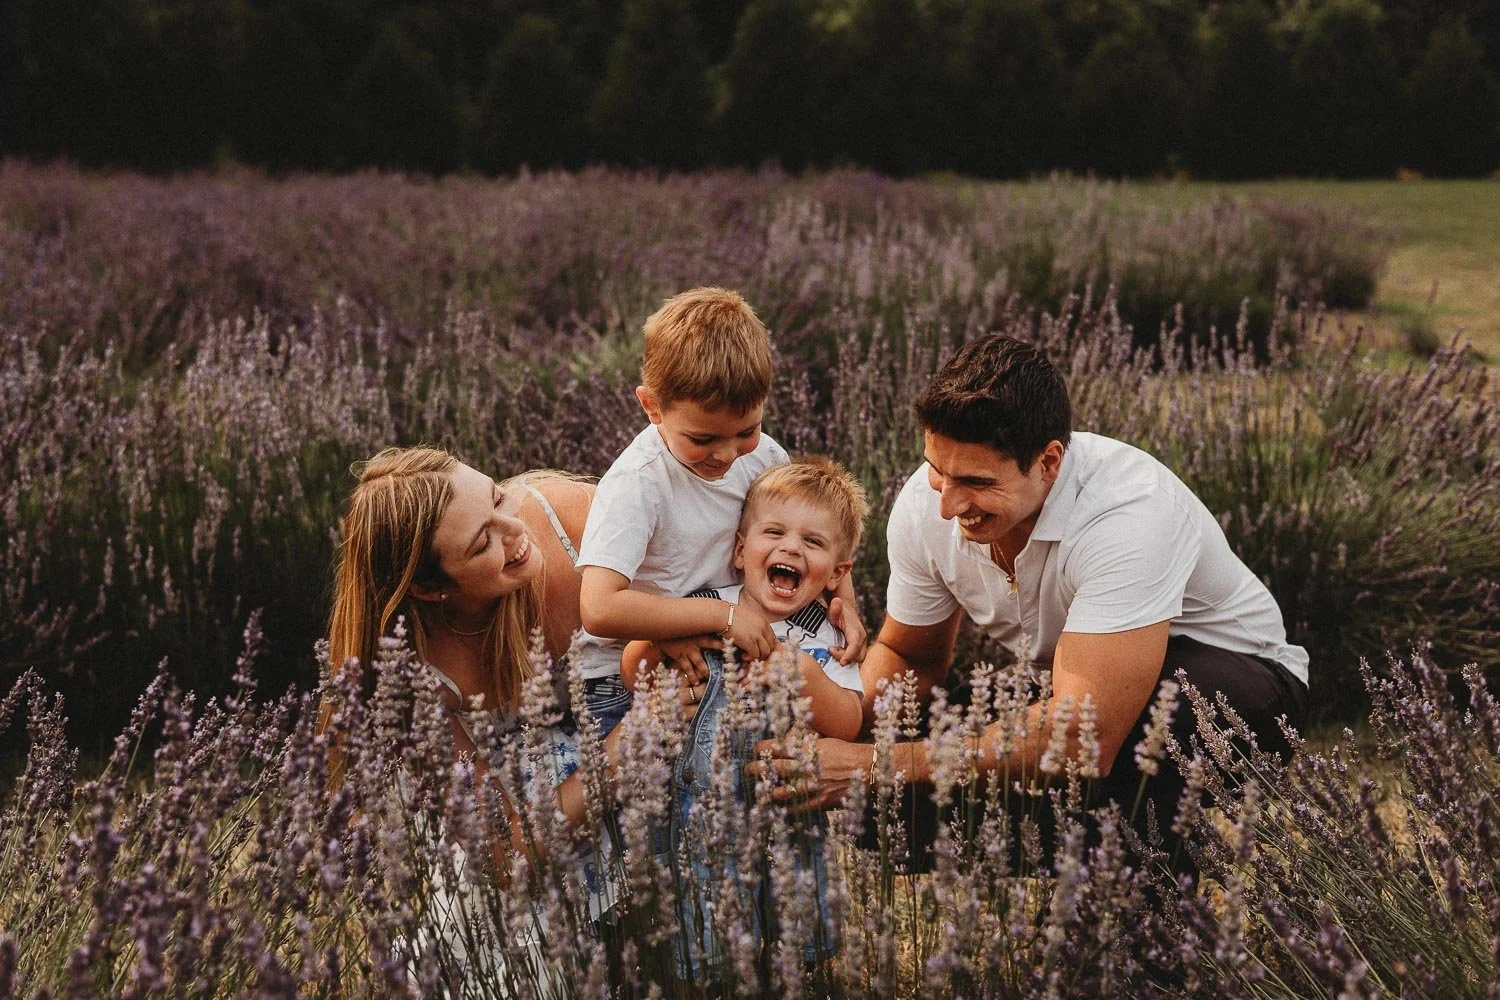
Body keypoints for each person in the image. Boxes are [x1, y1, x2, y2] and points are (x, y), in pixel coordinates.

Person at [773, 335, 1309, 866]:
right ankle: (1120, 860)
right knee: (881, 807)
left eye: (976, 482)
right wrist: (833, 728)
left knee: (1130, 735)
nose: (948, 504)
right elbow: (911, 657)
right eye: (939, 470)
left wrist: (874, 763)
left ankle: (1137, 912)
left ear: (1049, 461)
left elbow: (1082, 736)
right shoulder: (926, 502)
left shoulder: (1128, 513)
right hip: (1084, 682)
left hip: (1244, 690)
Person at [623, 456, 869, 981]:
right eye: (774, 532)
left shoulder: (824, 638)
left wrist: (802, 673)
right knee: (707, 918)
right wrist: (659, 647)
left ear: (837, 573)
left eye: (814, 542)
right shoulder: (708, 606)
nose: (791, 548)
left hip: (789, 809)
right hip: (703, 810)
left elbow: (848, 723)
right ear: (740, 550)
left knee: (796, 930)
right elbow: (634, 668)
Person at [576, 287, 866, 711]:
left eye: (746, 431)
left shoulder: (766, 456)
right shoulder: (638, 483)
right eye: (703, 438)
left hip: (723, 647)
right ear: (652, 407)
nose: (728, 454)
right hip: (626, 675)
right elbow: (599, 609)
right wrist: (722, 617)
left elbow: (820, 524)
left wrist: (845, 606)